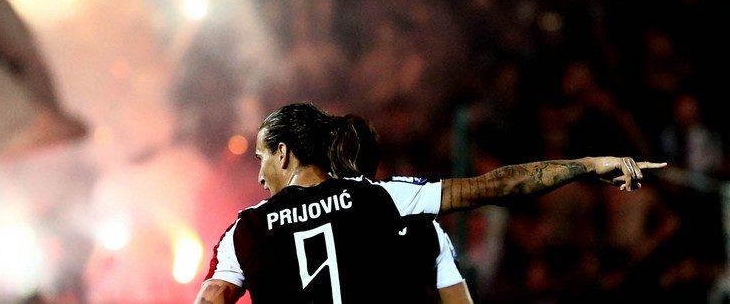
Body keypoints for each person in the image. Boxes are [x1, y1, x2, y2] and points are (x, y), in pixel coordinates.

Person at [194, 102, 666, 303]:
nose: (260, 175)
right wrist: (587, 164)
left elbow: (213, 298)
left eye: (261, 158)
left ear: (282, 153)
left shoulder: (244, 230)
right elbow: (497, 185)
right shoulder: (386, 198)